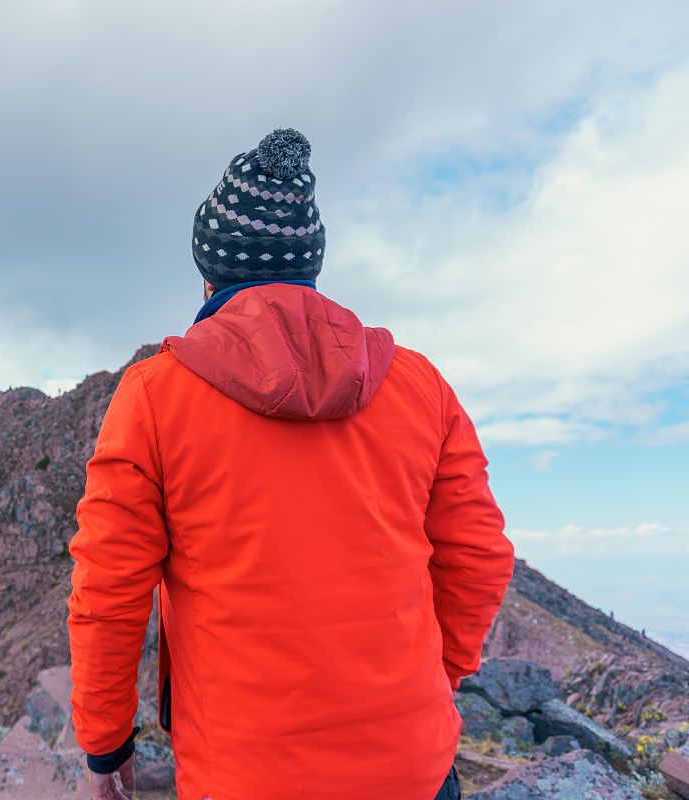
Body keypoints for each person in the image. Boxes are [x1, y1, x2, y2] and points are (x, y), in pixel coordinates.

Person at [66, 128, 515, 800]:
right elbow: (478, 555)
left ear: (210, 270)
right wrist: (435, 681)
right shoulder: (420, 386)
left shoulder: (154, 398)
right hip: (414, 769)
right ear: (310, 267)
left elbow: (110, 594)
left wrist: (107, 747)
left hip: (245, 776)